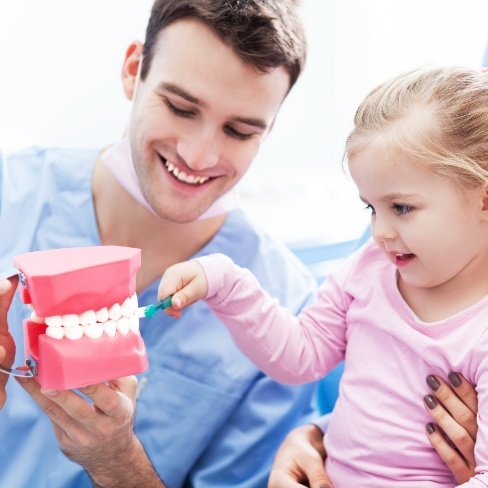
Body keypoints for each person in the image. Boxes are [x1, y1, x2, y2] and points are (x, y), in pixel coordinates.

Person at [0, 1, 320, 487]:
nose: (199, 154)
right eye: (180, 108)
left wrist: (118, 463)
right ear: (134, 71)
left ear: (269, 128)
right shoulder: (10, 193)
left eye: (239, 130)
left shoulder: (289, 318)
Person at [157, 65, 488, 486]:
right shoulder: (370, 268)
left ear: (484, 199)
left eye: (401, 207)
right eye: (371, 208)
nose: (380, 232)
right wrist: (225, 281)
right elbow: (302, 353)